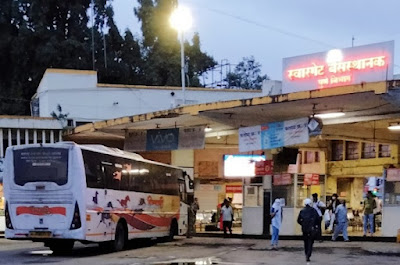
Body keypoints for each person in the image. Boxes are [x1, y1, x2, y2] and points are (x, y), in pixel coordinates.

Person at [297, 198, 319, 263]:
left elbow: (298, 220)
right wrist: (315, 225)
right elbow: (318, 219)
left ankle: (306, 253)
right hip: (311, 229)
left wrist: (303, 224)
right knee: (311, 242)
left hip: (304, 229)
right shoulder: (313, 210)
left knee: (305, 242)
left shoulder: (302, 211)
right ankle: (308, 254)